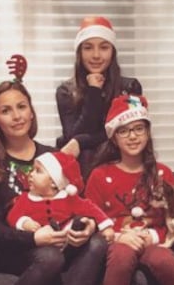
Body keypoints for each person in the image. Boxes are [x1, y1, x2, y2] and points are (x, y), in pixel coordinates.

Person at [0, 54, 107, 285]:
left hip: (60, 240)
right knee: (50, 258)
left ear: (31, 112)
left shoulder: (52, 157)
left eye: (22, 107)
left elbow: (76, 202)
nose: (17, 115)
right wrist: (34, 239)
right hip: (14, 250)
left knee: (96, 243)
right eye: (6, 111)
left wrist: (86, 226)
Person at [85, 94, 174, 285]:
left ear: (147, 133)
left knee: (165, 261)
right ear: (114, 138)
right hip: (117, 242)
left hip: (154, 243)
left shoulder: (162, 173)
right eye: (124, 131)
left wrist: (151, 236)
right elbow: (90, 220)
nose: (133, 136)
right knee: (121, 255)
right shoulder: (99, 174)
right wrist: (119, 235)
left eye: (139, 129)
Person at [55, 16, 142, 178]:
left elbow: (128, 135)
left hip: (121, 168)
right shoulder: (66, 92)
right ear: (79, 52)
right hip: (81, 174)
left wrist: (81, 141)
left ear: (112, 51)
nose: (96, 55)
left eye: (104, 47)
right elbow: (72, 137)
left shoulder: (129, 88)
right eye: (88, 48)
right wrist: (93, 91)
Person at [7, 150, 114, 246]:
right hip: (42, 246)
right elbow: (12, 216)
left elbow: (91, 209)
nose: (31, 174)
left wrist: (106, 226)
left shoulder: (68, 198)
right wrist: (24, 223)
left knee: (82, 224)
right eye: (33, 170)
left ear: (54, 182)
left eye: (38, 171)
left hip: (69, 243)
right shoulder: (26, 199)